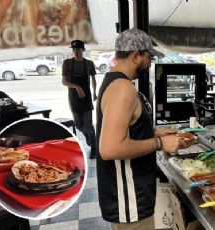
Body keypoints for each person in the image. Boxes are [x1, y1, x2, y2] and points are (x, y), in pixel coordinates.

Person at [96, 28, 183, 230]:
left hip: (131, 198)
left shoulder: (116, 82)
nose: (149, 63)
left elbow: (124, 131)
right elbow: (110, 149)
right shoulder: (122, 88)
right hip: (129, 201)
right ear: (136, 56)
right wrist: (160, 143)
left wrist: (151, 133)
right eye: (148, 57)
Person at [62, 40, 97, 159]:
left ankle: (94, 148)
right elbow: (64, 81)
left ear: (83, 50)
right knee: (78, 125)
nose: (76, 52)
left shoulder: (89, 64)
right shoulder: (67, 63)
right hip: (73, 98)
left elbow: (93, 79)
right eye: (74, 49)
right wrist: (76, 87)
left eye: (78, 49)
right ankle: (89, 137)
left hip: (86, 98)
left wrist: (94, 93)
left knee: (88, 124)